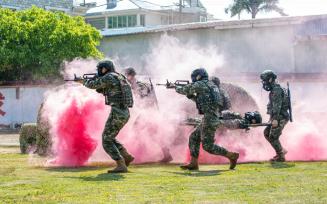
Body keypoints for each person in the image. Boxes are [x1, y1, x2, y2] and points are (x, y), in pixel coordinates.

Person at [176, 68, 239, 170]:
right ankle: (193, 163)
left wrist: (176, 87)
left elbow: (185, 89)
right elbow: (203, 101)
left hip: (210, 117)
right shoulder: (211, 85)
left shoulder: (202, 84)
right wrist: (191, 96)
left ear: (198, 76)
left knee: (208, 146)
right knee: (194, 137)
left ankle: (231, 155)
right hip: (211, 116)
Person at [81, 60, 134, 173]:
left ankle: (121, 165)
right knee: (110, 137)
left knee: (106, 141)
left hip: (117, 112)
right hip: (123, 112)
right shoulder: (119, 76)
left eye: (101, 68)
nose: (100, 71)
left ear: (105, 68)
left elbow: (92, 85)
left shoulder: (109, 77)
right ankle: (126, 156)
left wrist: (82, 81)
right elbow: (106, 90)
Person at [124, 67, 173, 163]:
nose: (126, 77)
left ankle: (133, 154)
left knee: (136, 130)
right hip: (149, 111)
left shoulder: (139, 85)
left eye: (127, 75)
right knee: (154, 133)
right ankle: (166, 154)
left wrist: (146, 112)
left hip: (149, 112)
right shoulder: (135, 85)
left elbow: (146, 100)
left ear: (130, 75)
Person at [260, 70, 290, 162]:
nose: (264, 83)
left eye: (265, 80)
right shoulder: (275, 89)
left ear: (270, 79)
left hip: (280, 117)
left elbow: (277, 107)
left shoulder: (276, 90)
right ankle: (281, 151)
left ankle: (281, 156)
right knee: (267, 133)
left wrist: (275, 120)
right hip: (277, 116)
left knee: (273, 136)